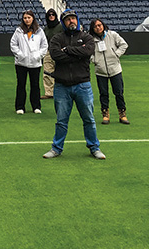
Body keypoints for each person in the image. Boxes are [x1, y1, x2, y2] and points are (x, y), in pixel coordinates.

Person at [43, 9, 105, 160]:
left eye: (73, 19)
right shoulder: (57, 38)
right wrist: (77, 53)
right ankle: (56, 148)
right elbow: (56, 55)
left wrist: (69, 50)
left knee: (89, 119)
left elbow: (87, 52)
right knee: (61, 121)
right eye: (67, 19)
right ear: (63, 23)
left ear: (77, 20)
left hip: (82, 85)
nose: (71, 21)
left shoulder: (87, 37)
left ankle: (94, 147)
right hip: (62, 86)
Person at [88, 18, 129, 125]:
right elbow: (88, 52)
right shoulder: (91, 39)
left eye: (99, 25)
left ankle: (122, 114)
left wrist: (116, 54)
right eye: (95, 26)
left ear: (103, 25)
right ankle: (105, 115)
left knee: (119, 93)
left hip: (115, 69)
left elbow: (124, 45)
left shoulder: (112, 35)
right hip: (100, 71)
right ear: (93, 28)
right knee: (103, 94)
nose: (98, 27)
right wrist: (94, 60)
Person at [10, 10, 48, 115]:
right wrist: (20, 54)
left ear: (33, 18)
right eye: (25, 18)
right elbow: (13, 44)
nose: (27, 20)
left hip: (35, 63)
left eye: (29, 18)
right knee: (21, 85)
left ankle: (36, 106)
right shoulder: (18, 31)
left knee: (35, 85)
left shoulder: (39, 31)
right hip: (21, 63)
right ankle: (20, 107)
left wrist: (38, 55)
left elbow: (44, 45)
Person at [41, 9, 59, 99]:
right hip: (48, 51)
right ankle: (49, 92)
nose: (51, 16)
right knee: (47, 71)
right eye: (49, 15)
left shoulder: (61, 27)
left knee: (61, 71)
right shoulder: (46, 29)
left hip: (59, 51)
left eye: (53, 15)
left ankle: (62, 91)